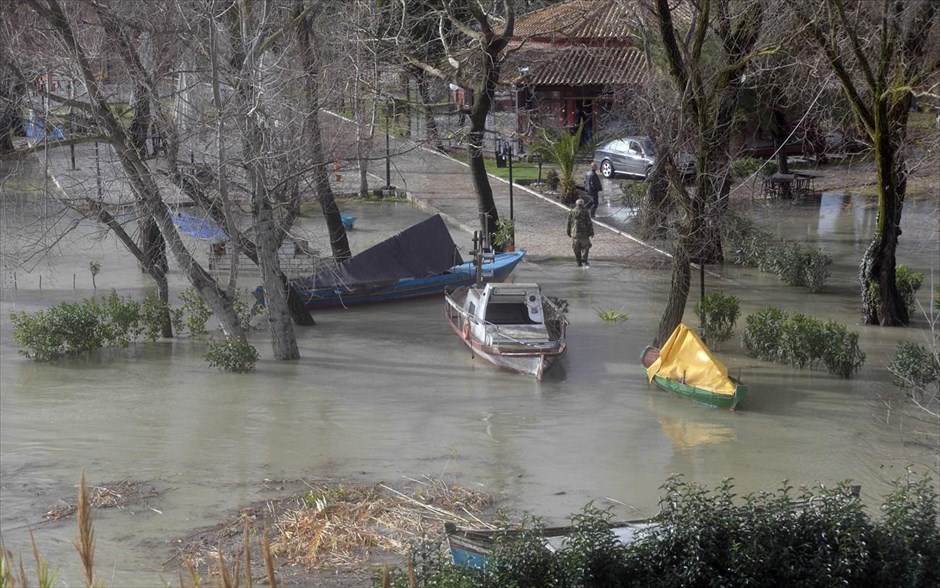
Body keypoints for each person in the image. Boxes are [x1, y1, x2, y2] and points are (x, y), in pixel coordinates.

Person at [566, 198, 594, 267]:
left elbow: (569, 223)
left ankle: (579, 262)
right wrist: (591, 232)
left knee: (576, 248)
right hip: (584, 233)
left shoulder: (572, 211)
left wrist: (568, 232)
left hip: (574, 234)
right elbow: (589, 223)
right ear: (583, 204)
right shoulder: (585, 211)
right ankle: (584, 258)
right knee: (586, 246)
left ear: (576, 204)